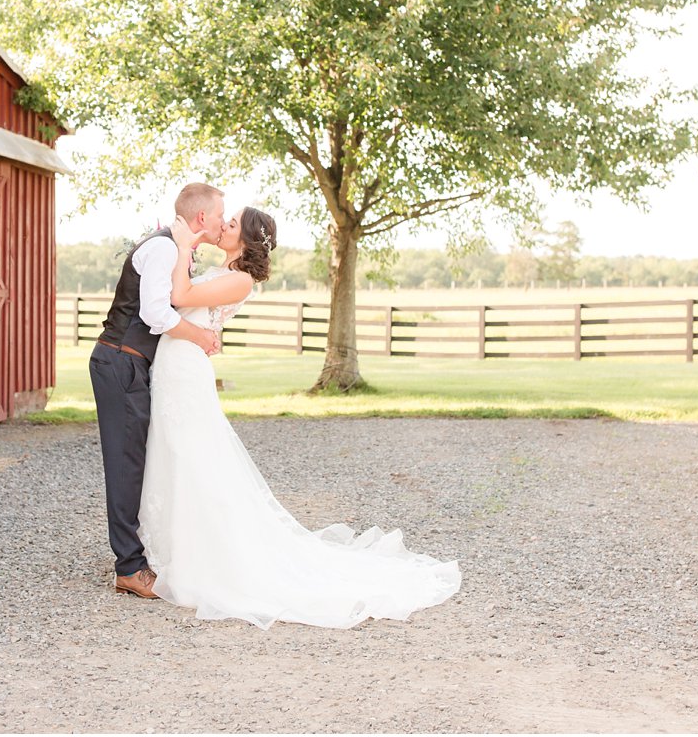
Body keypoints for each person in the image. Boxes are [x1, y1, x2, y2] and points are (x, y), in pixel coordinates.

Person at [136, 206, 462, 629]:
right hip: (176, 362)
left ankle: (202, 553)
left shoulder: (239, 279)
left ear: (248, 240)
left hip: (186, 368)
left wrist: (181, 247)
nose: (223, 226)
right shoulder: (222, 270)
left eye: (232, 224)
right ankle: (171, 545)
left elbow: (179, 298)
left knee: (192, 454)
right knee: (175, 451)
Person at [90, 183, 226, 599]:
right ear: (202, 218)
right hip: (120, 360)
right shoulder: (165, 248)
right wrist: (199, 336)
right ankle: (129, 567)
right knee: (126, 463)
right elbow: (153, 312)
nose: (223, 221)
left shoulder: (175, 248)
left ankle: (135, 556)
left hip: (133, 363)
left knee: (138, 459)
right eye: (221, 214)